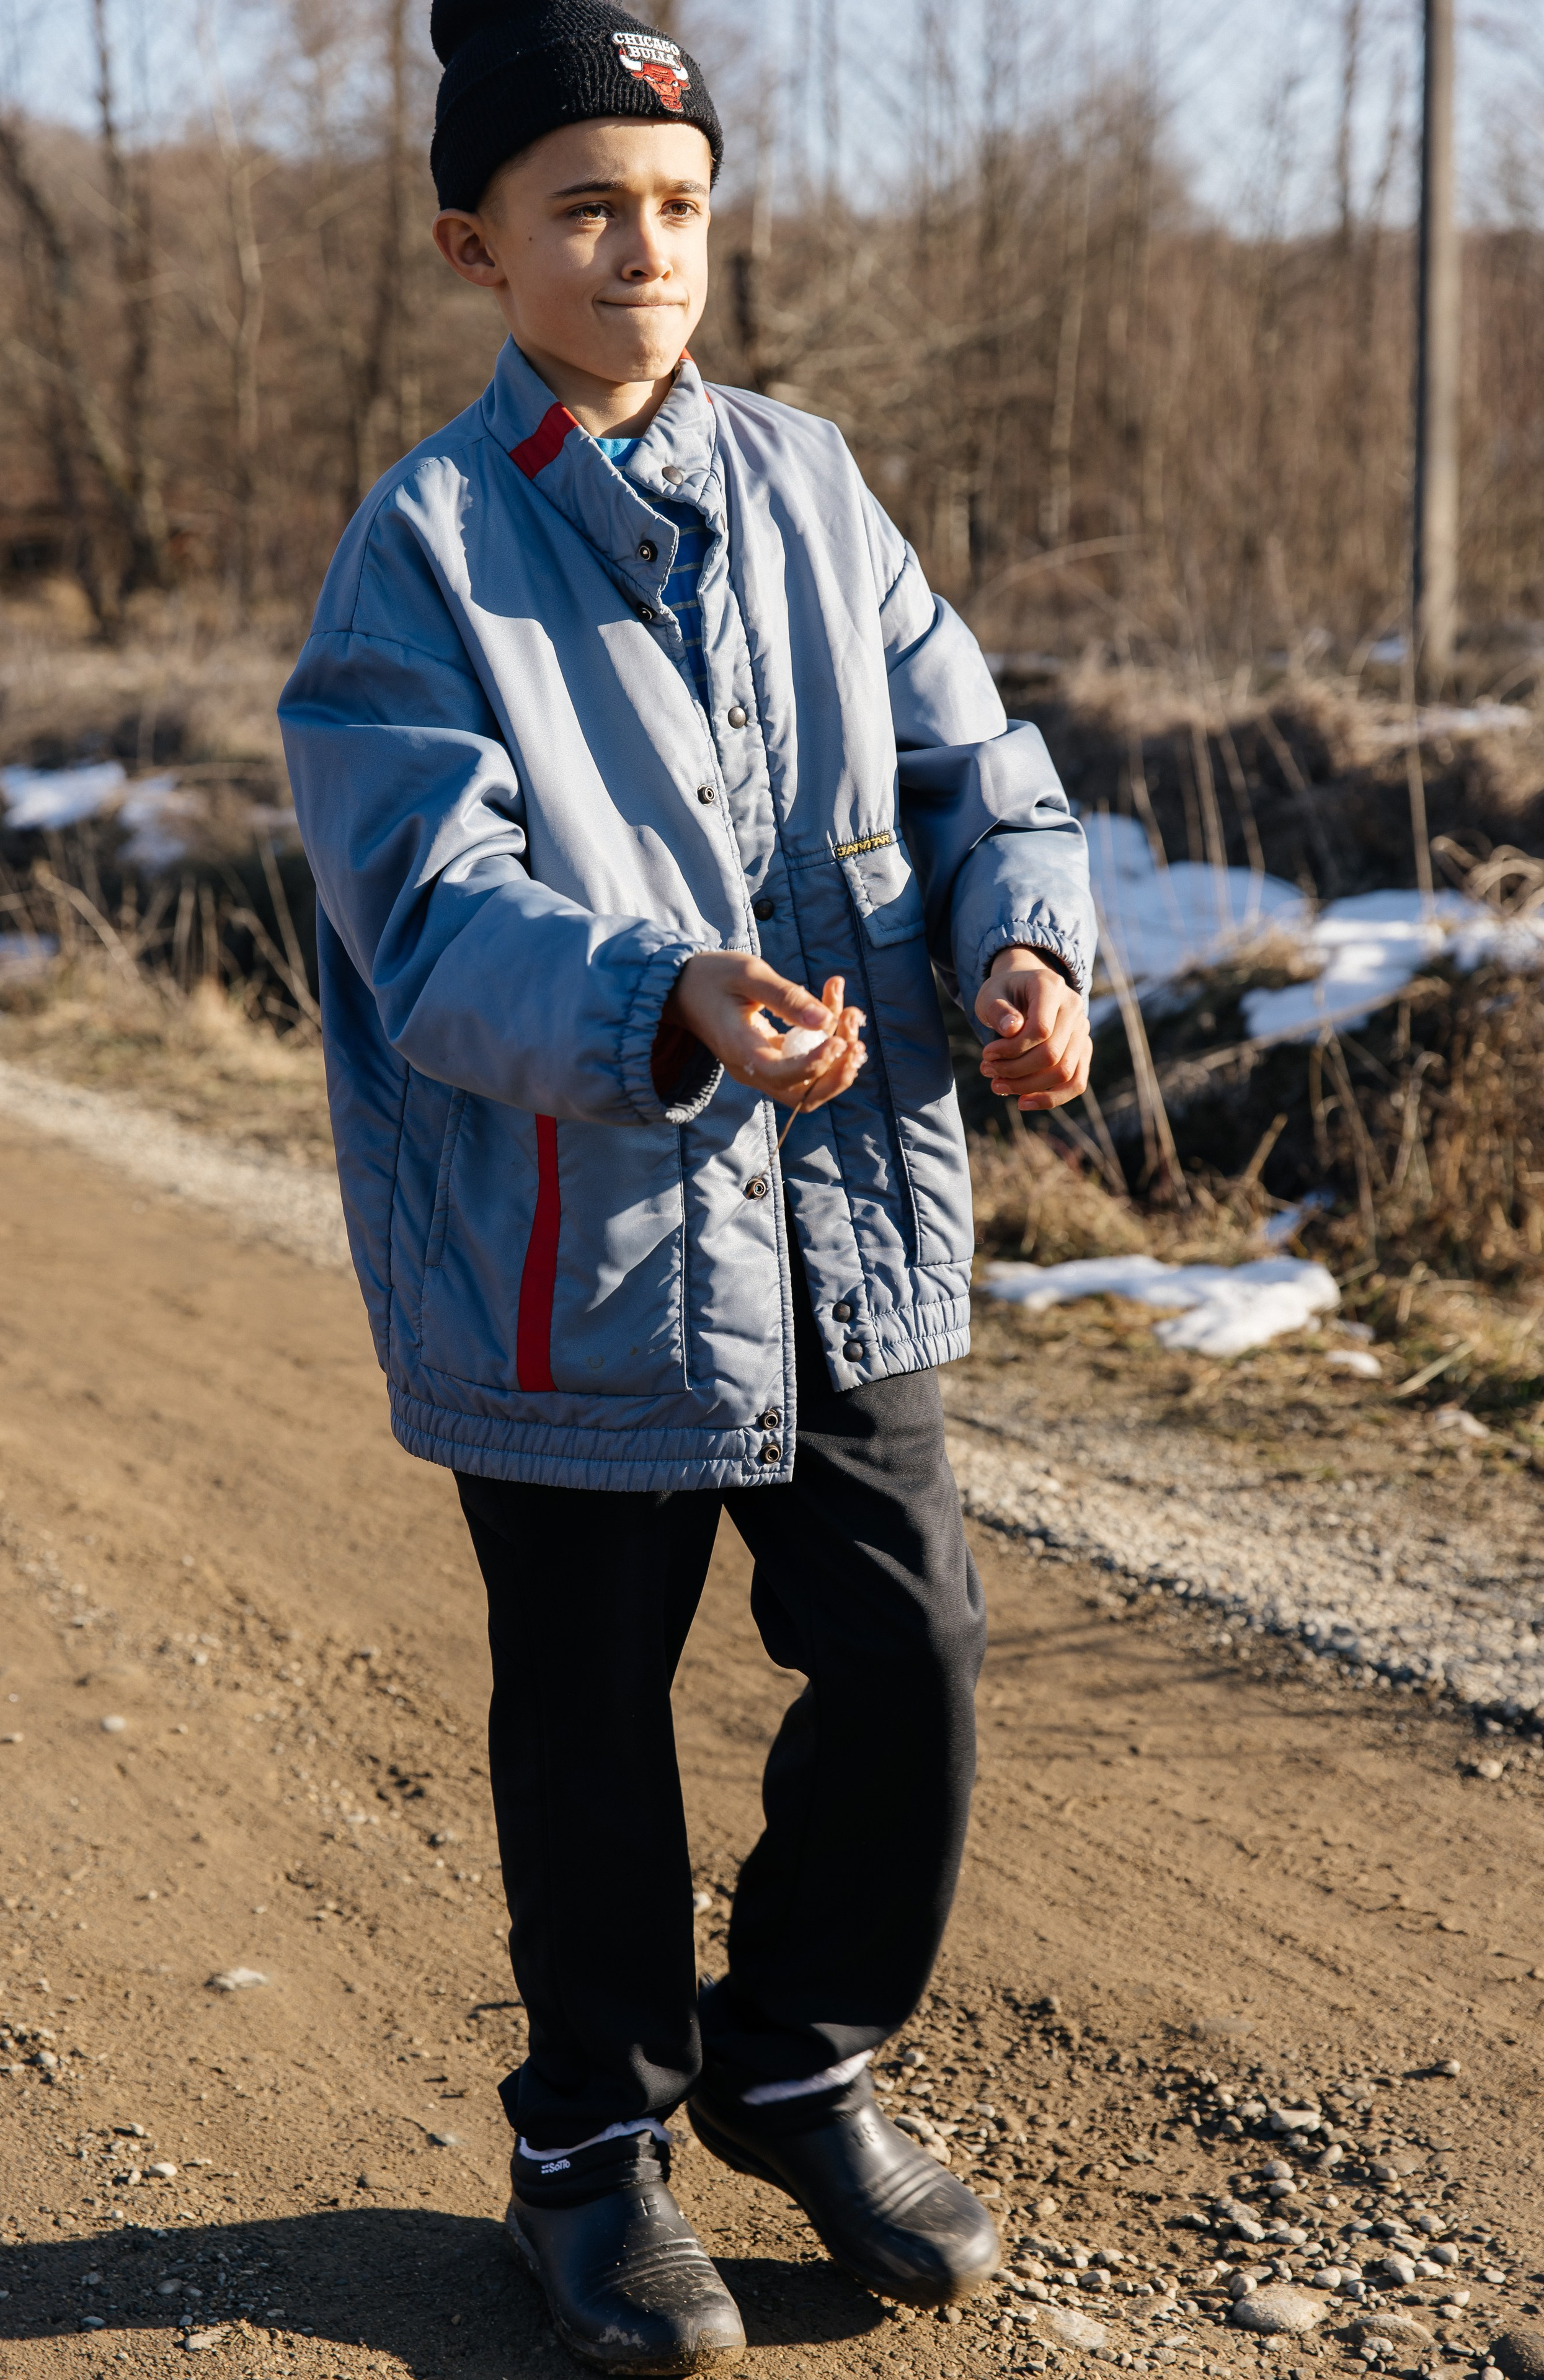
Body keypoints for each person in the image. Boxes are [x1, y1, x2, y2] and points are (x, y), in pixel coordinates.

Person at [279, 2, 1096, 2369]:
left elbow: (974, 763)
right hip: (576, 1239)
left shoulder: (815, 482)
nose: (643, 250)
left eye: (678, 207)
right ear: (478, 247)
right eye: (584, 210)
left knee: (911, 1644)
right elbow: (426, 905)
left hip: (841, 1207)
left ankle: (799, 2060)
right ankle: (589, 2148)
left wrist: (1023, 948)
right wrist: (667, 992)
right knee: (589, 1711)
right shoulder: (426, 548)